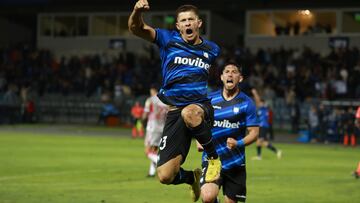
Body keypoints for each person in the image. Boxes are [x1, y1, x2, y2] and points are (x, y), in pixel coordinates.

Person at [128, 1, 221, 202]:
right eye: (183, 21)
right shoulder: (168, 39)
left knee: (190, 112)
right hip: (174, 112)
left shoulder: (212, 49)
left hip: (200, 108)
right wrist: (137, 11)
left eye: (191, 20)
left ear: (199, 23)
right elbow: (136, 28)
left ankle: (214, 159)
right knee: (165, 176)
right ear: (178, 26)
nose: (187, 23)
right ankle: (191, 177)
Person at [198, 63, 259, 203]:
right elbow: (198, 121)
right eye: (227, 72)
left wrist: (239, 143)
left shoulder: (246, 103)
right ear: (221, 77)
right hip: (212, 159)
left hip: (235, 162)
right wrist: (198, 138)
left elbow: (254, 133)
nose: (230, 74)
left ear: (240, 78)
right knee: (208, 197)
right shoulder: (210, 99)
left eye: (234, 72)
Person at [142, 85, 168, 177]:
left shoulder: (151, 100)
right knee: (154, 150)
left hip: (152, 128)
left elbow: (145, 114)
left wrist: (142, 120)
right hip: (163, 128)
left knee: (148, 151)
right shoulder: (165, 100)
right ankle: (151, 172)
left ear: (152, 90)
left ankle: (161, 163)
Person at [251, 89, 282, 160]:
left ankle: (260, 156)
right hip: (262, 126)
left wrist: (255, 93)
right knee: (262, 142)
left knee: (259, 141)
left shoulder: (264, 108)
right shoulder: (262, 109)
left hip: (263, 127)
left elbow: (258, 101)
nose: (258, 104)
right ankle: (276, 151)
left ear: (263, 103)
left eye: (260, 103)